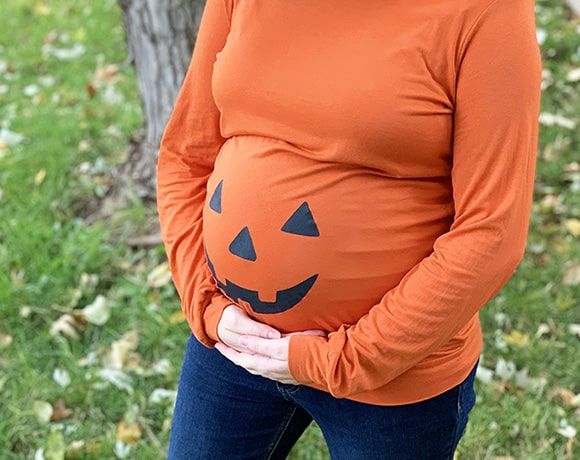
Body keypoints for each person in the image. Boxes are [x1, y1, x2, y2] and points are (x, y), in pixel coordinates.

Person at [155, 0, 542, 458]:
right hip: (236, 342)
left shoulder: (486, 12)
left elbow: (490, 232)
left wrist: (343, 359)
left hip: (392, 379)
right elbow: (186, 154)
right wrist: (206, 305)